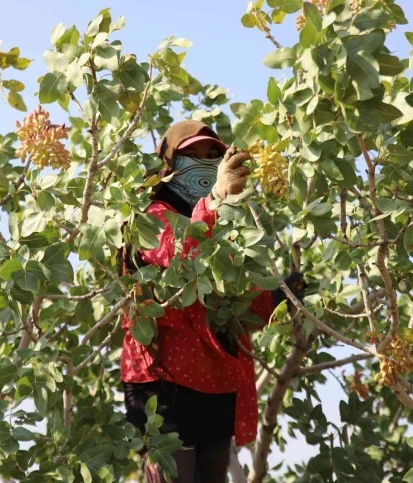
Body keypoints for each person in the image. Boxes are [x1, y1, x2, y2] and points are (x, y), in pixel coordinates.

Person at [120, 120, 299, 482]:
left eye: (212, 155)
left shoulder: (229, 229)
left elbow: (235, 309)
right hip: (163, 382)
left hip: (217, 383)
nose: (204, 162)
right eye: (192, 155)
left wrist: (281, 299)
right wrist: (215, 198)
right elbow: (180, 259)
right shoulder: (148, 216)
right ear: (168, 164)